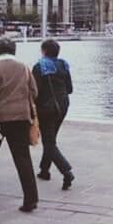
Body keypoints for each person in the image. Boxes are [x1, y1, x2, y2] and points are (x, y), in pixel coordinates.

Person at [0, 37, 39, 212]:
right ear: (14, 50)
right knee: (23, 159)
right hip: (20, 119)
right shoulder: (24, 68)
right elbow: (34, 91)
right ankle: (31, 199)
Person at [33, 39, 75, 190]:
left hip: (46, 108)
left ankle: (66, 171)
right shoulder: (64, 65)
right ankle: (44, 170)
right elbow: (70, 89)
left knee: (49, 142)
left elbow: (34, 92)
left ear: (43, 51)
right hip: (63, 106)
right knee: (51, 139)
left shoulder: (40, 67)